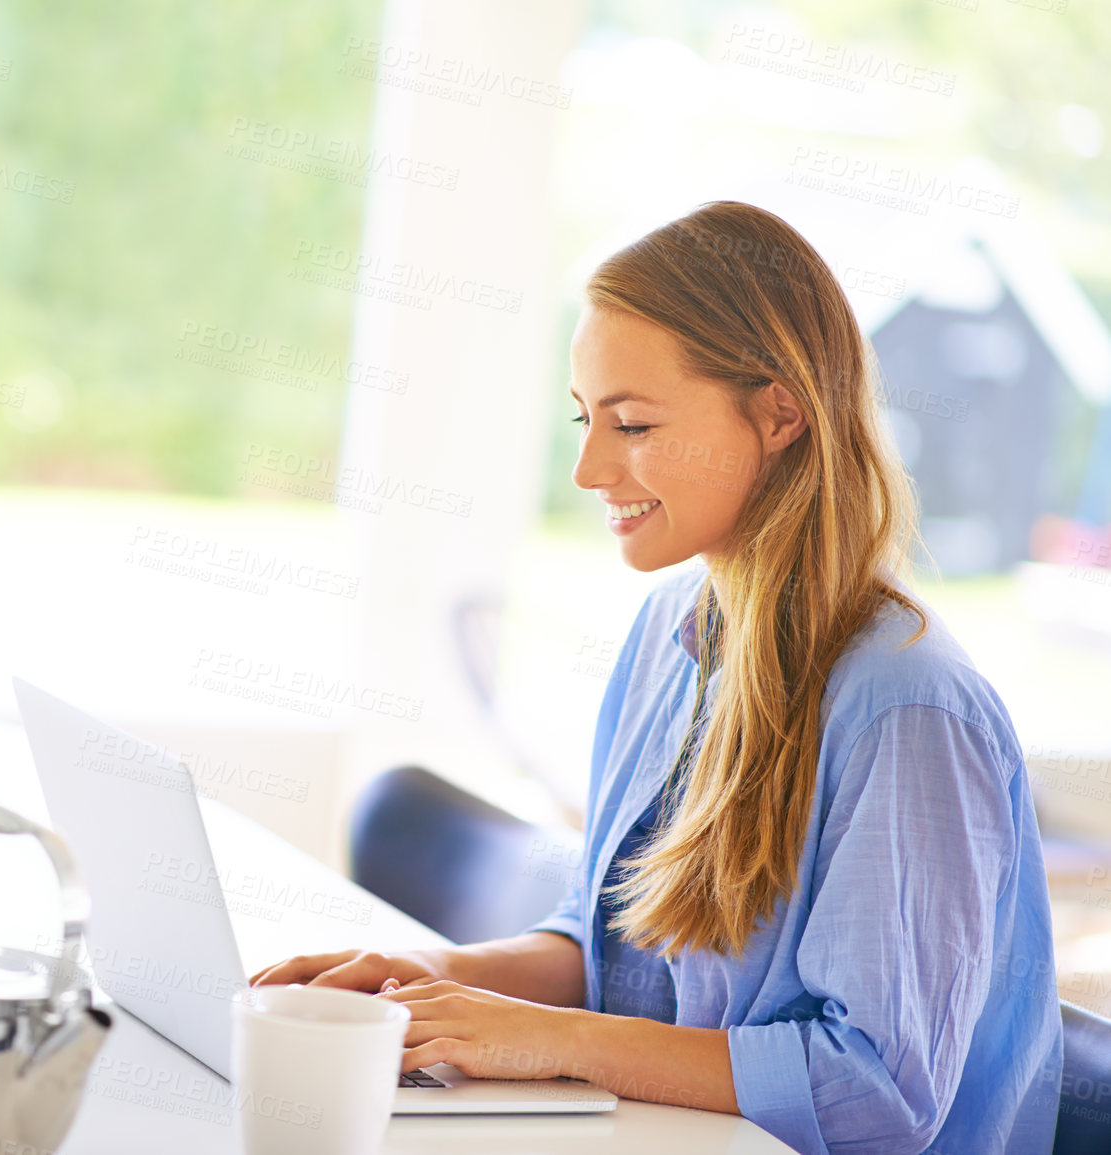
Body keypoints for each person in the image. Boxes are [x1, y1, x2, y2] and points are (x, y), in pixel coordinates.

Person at [249, 202, 1063, 1154]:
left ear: (778, 414)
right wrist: (433, 981)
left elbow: (875, 1089)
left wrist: (552, 1042)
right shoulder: (672, 634)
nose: (591, 467)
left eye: (631, 423)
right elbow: (616, 951)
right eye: (585, 419)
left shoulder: (908, 709)